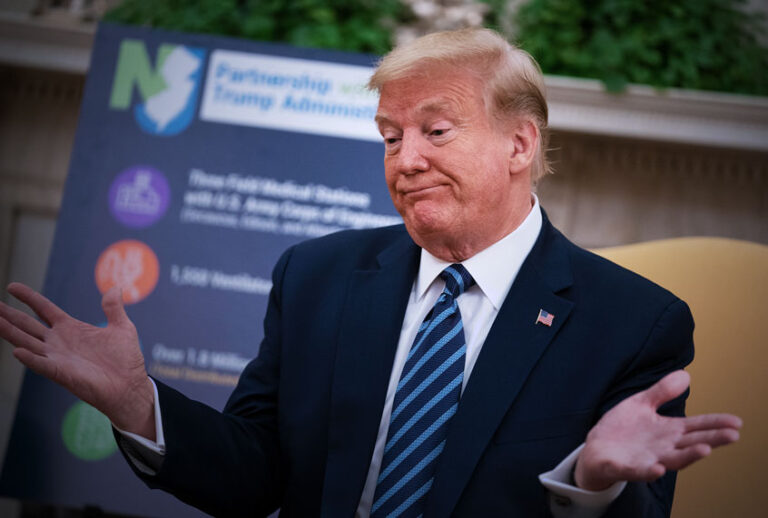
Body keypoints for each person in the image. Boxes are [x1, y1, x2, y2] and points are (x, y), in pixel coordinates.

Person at [0, 28, 741, 517]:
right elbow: (257, 475)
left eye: (436, 131)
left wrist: (593, 483)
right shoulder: (317, 275)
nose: (405, 159)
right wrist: (137, 404)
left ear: (520, 144)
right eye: (390, 136)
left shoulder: (634, 323)